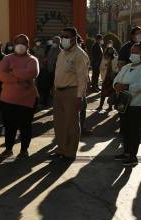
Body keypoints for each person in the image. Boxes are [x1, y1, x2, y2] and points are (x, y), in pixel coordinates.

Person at [0, 34, 39, 159]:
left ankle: (24, 150)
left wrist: (11, 72)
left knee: (25, 126)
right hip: (7, 100)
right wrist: (19, 80)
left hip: (27, 100)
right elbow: (0, 74)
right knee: (10, 127)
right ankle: (8, 149)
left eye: (24, 43)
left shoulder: (33, 59)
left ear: (28, 45)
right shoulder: (7, 58)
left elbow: (32, 72)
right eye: (18, 42)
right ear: (14, 44)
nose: (21, 45)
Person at [51, 26, 89, 160]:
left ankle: (70, 152)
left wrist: (80, 97)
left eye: (66, 36)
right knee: (59, 123)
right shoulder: (62, 53)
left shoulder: (79, 54)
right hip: (59, 92)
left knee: (71, 124)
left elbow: (82, 78)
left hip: (72, 92)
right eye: (62, 36)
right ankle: (61, 148)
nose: (63, 39)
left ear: (74, 38)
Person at [112, 43, 141, 167]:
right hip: (124, 104)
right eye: (132, 52)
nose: (133, 55)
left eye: (136, 52)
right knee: (125, 129)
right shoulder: (126, 67)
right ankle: (126, 152)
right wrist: (116, 85)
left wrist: (126, 86)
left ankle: (133, 156)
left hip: (137, 104)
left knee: (134, 131)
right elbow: (116, 80)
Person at [98, 45, 119, 113]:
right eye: (109, 50)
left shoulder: (116, 58)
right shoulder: (104, 58)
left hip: (113, 78)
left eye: (111, 50)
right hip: (106, 78)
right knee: (103, 93)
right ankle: (100, 106)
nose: (110, 51)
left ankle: (110, 106)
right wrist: (105, 66)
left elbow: (118, 67)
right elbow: (101, 67)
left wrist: (114, 71)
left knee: (112, 93)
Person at [43, 36, 61, 107]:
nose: (53, 43)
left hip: (55, 73)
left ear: (59, 43)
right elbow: (48, 58)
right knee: (46, 87)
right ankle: (45, 103)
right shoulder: (50, 49)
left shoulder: (60, 51)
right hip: (48, 71)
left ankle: (55, 103)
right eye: (53, 41)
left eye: (55, 42)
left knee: (55, 89)